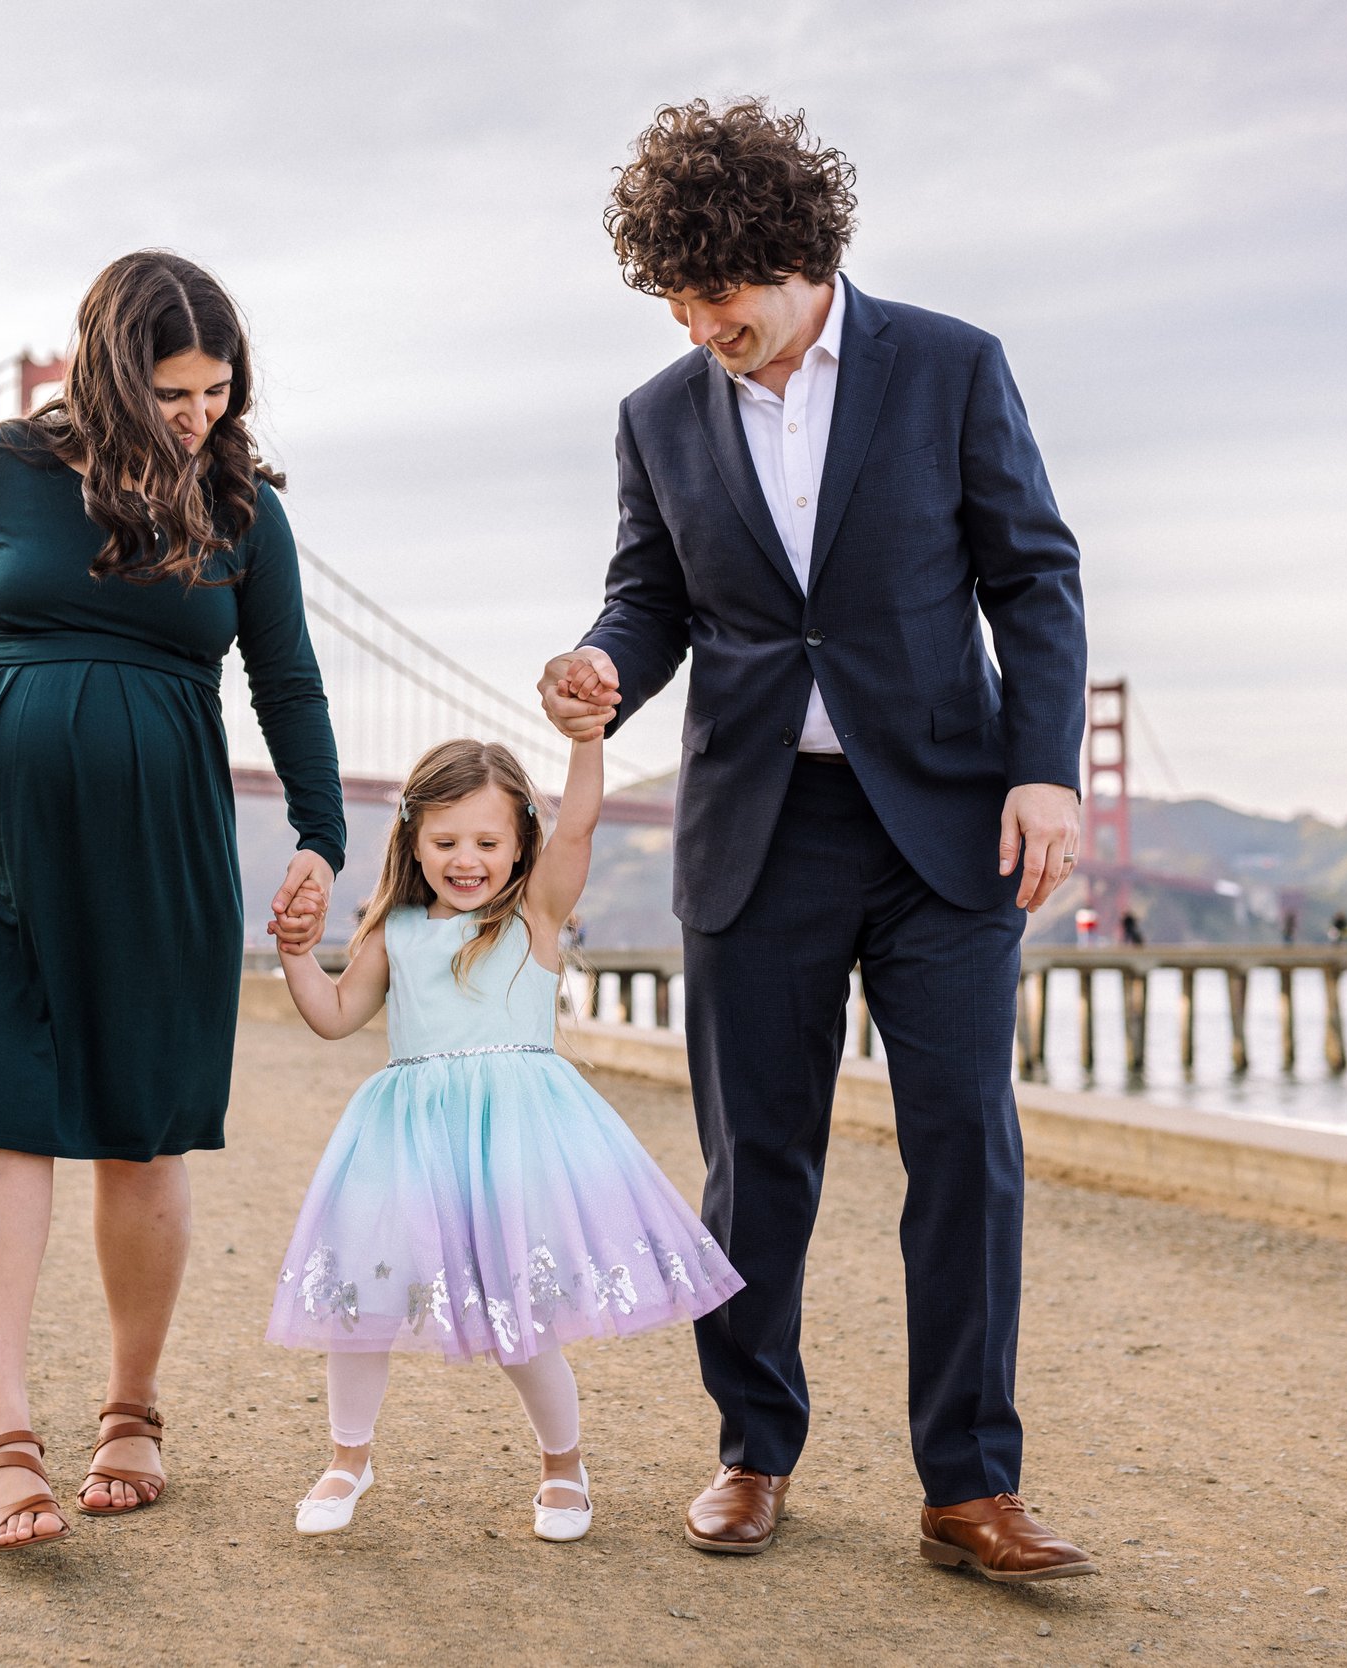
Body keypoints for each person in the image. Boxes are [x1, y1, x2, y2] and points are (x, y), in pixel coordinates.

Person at [540, 100, 1094, 1578]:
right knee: (755, 1164)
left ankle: (970, 1486)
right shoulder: (656, 413)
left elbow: (1033, 578)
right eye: (678, 295)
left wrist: (1045, 771)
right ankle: (752, 1448)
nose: (703, 321)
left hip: (948, 829)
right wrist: (604, 661)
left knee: (965, 1150)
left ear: (800, 257)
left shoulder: (952, 366)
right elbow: (649, 598)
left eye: (724, 292)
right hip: (756, 828)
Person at [0, 252, 342, 1552]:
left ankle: (132, 1411)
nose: (200, 410)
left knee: (142, 1140)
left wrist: (321, 835)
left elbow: (291, 683)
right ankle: (5, 1435)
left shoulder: (245, 510)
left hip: (163, 856)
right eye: (173, 388)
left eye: (218, 388)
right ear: (109, 373)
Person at [265, 737, 741, 1542]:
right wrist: (298, 957)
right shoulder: (397, 931)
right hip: (408, 1144)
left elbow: (582, 826)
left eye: (487, 842)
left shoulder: (534, 913)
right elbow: (337, 1016)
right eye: (446, 842)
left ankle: (565, 1467)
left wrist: (587, 741)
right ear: (413, 841)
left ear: (522, 839)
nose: (466, 860)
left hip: (514, 1144)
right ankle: (349, 1457)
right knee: (362, 1308)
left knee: (522, 1317)